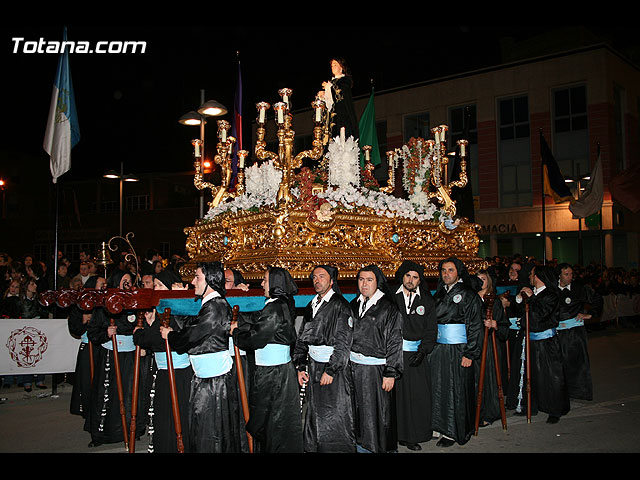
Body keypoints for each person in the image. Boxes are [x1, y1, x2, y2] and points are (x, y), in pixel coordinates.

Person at [160, 262, 244, 453]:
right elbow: (193, 324)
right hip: (207, 379)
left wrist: (170, 335)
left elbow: (191, 335)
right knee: (206, 430)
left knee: (211, 433)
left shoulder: (215, 307)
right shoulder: (211, 305)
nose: (192, 282)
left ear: (210, 280)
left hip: (214, 383)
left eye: (197, 277)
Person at [231, 266, 303, 453]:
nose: (262, 283)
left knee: (272, 421)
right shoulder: (279, 303)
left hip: (273, 374)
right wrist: (242, 324)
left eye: (265, 280)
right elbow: (259, 323)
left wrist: (236, 333)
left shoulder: (275, 307)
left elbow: (257, 337)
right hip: (277, 370)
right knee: (275, 420)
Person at [293, 265, 355, 453]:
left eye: (322, 276)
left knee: (334, 412)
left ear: (332, 280)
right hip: (313, 365)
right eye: (314, 277)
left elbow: (344, 342)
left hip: (331, 368)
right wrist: (300, 365)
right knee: (314, 411)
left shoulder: (340, 305)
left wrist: (331, 369)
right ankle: (313, 446)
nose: (317, 280)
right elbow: (302, 336)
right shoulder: (312, 305)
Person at [85, 269, 149, 447]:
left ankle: (131, 430)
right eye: (123, 280)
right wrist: (106, 332)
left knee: (131, 394)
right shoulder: (104, 305)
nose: (127, 283)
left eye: (129, 280)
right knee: (107, 395)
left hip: (129, 356)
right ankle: (101, 435)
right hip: (110, 357)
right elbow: (93, 332)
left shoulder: (135, 303)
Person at [134, 269, 193, 453]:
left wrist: (140, 332)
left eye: (160, 285)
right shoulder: (160, 309)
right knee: (164, 417)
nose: (155, 288)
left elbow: (151, 339)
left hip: (178, 373)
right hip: (164, 370)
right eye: (155, 284)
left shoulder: (173, 310)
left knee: (177, 417)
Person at [349, 264, 403, 453]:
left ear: (377, 282)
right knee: (359, 412)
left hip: (377, 370)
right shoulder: (354, 304)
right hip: (355, 368)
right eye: (361, 279)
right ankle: (362, 447)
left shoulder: (388, 308)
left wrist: (391, 372)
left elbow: (395, 342)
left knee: (381, 415)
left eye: (369, 280)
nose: (364, 284)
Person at [430, 257, 483, 447]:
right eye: (443, 270)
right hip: (439, 349)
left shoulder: (468, 295)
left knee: (456, 390)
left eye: (450, 270)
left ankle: (453, 431)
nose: (446, 274)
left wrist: (470, 353)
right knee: (439, 388)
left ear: (458, 273)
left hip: (459, 349)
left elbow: (476, 326)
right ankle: (439, 426)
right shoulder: (438, 294)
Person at [514, 265, 570, 423]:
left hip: (547, 342)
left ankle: (555, 409)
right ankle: (531, 404)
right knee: (531, 375)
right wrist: (520, 298)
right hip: (531, 341)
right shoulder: (533, 293)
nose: (530, 277)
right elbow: (521, 312)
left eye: (531, 274)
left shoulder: (551, 295)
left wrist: (531, 298)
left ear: (538, 276)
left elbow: (540, 316)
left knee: (551, 376)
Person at [392, 260, 437, 451]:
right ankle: (395, 434)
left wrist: (423, 351)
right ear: (402, 276)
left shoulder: (427, 300)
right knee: (396, 397)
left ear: (420, 280)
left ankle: (413, 435)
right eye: (408, 276)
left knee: (416, 397)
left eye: (415, 277)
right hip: (394, 355)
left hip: (417, 355)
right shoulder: (391, 297)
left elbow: (431, 329)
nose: (411, 280)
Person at [555, 263, 601, 401]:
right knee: (559, 363)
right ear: (559, 275)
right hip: (557, 332)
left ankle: (580, 391)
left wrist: (590, 314)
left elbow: (597, 299)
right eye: (566, 274)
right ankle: (560, 392)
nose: (570, 277)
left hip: (575, 332)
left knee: (578, 362)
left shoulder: (579, 288)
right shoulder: (552, 289)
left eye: (571, 274)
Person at [475, 269, 509, 427]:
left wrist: (495, 324)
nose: (481, 282)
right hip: (474, 344)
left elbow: (505, 327)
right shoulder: (471, 299)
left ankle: (490, 412)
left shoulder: (494, 301)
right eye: (478, 279)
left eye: (483, 279)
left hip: (490, 345)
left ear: (488, 281)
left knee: (490, 379)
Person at [67, 275, 105, 418]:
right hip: (88, 346)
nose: (104, 288)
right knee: (87, 382)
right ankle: (89, 412)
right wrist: (83, 321)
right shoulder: (81, 303)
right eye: (101, 284)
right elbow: (74, 328)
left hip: (102, 347)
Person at [317, 57, 359, 141]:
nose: (333, 67)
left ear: (341, 68)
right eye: (332, 65)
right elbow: (330, 101)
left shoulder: (345, 81)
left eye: (335, 65)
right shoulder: (331, 83)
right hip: (332, 117)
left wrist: (328, 87)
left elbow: (339, 95)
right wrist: (323, 96)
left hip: (342, 115)